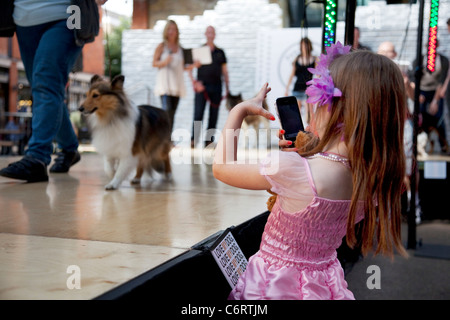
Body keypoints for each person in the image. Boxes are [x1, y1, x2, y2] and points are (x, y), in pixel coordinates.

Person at [213, 43, 408, 300]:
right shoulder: (374, 179)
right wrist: (309, 151)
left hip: (272, 287)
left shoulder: (291, 168)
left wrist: (238, 111)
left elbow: (222, 167)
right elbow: (334, 162)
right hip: (325, 286)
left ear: (331, 107)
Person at [0, 0, 107, 183]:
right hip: (25, 19)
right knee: (44, 90)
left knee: (46, 82)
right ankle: (69, 148)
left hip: (67, 15)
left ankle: (37, 156)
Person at [189, 26, 229, 148]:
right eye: (208, 32)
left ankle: (209, 140)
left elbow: (225, 71)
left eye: (212, 32)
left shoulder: (220, 52)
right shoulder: (199, 50)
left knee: (214, 114)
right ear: (205, 34)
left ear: (215, 35)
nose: (210, 34)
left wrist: (227, 88)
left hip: (217, 87)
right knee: (198, 114)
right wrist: (194, 83)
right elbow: (189, 69)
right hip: (202, 87)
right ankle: (193, 140)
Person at [153, 20, 196, 131]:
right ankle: (163, 138)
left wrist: (194, 65)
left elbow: (183, 67)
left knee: (172, 113)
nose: (172, 32)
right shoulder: (162, 46)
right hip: (165, 86)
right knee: (166, 112)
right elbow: (154, 63)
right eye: (169, 29)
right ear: (166, 31)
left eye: (174, 29)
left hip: (177, 85)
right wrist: (165, 62)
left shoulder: (181, 49)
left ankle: (168, 139)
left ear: (177, 32)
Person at [285, 37, 316, 126]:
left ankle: (309, 130)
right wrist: (287, 89)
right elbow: (292, 75)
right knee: (296, 112)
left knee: (309, 112)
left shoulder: (314, 59)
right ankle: (297, 130)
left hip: (308, 89)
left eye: (305, 45)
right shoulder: (297, 59)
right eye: (302, 45)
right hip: (298, 87)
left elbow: (318, 74)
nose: (304, 47)